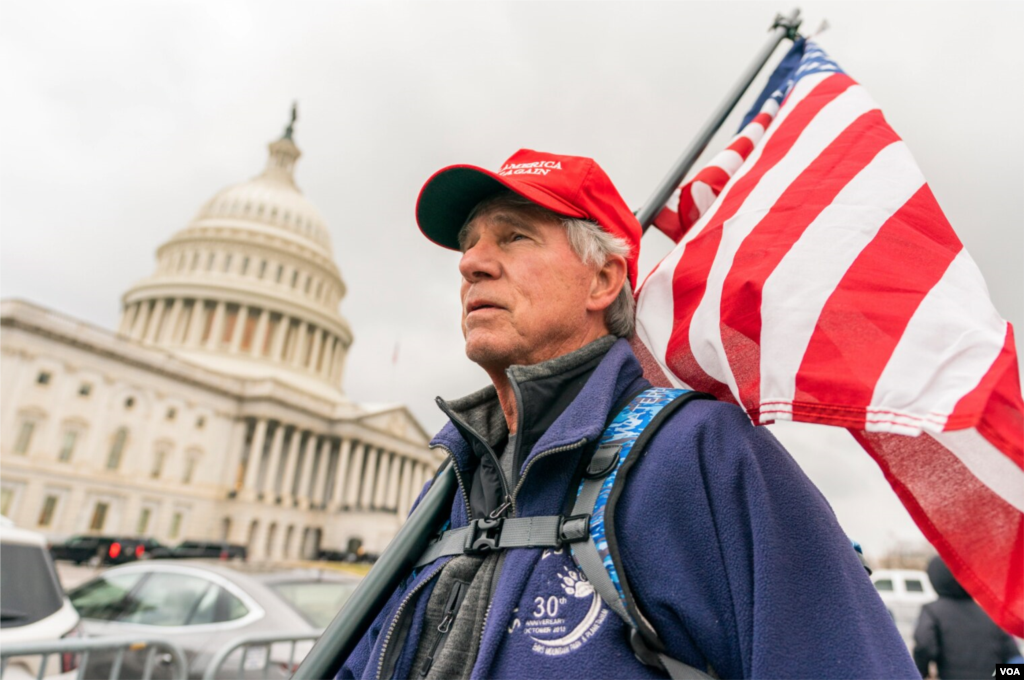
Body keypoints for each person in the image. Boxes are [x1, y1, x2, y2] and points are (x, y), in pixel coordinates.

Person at [337, 149, 918, 679]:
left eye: (513, 237)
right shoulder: (452, 483)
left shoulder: (705, 456)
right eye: (469, 243)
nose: (472, 264)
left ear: (604, 280)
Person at [913, 556, 1020, 679]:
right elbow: (1014, 659)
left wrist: (922, 673)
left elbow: (924, 645)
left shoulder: (933, 611)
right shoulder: (990, 613)